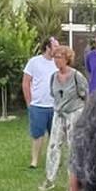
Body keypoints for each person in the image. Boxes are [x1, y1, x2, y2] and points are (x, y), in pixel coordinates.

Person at [41, 44, 87, 191]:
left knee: (73, 146)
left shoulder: (76, 76)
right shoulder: (54, 77)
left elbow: (85, 94)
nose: (56, 60)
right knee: (53, 145)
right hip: (59, 113)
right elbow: (53, 94)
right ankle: (49, 179)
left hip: (74, 113)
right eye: (55, 57)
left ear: (67, 59)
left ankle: (74, 183)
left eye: (59, 57)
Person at [22, 35, 58, 170]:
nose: (57, 48)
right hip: (38, 105)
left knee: (55, 136)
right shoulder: (34, 62)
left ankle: (53, 160)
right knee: (37, 134)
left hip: (55, 106)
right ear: (47, 47)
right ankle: (34, 161)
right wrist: (29, 102)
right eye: (55, 46)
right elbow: (26, 82)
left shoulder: (58, 62)